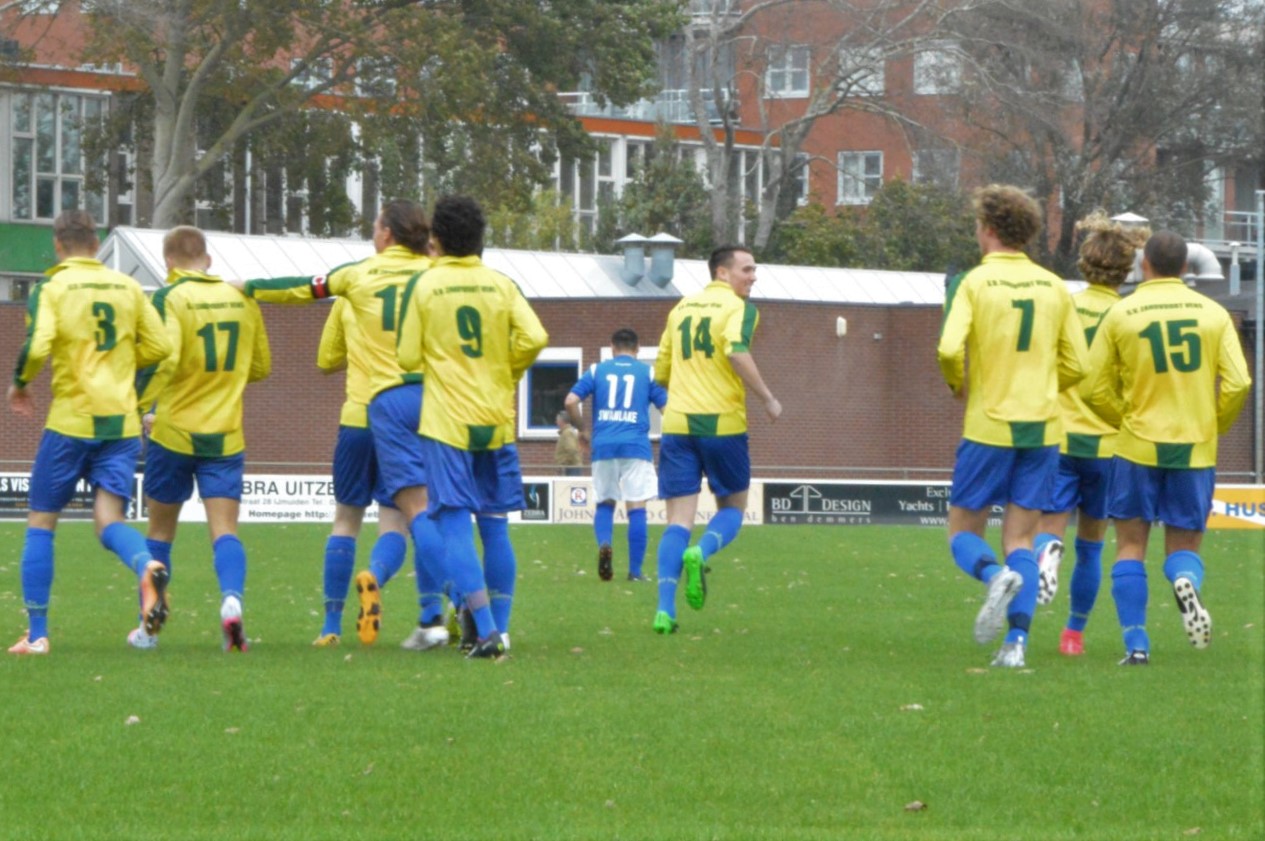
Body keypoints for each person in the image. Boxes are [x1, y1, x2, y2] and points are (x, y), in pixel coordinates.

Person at [243, 200, 445, 648]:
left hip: (360, 415)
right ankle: (421, 605)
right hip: (416, 413)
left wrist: (250, 287)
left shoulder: (355, 279)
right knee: (407, 518)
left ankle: (330, 627)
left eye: (375, 226)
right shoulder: (436, 277)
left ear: (387, 233)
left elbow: (324, 357)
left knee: (345, 520)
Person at [7, 209, 173, 655]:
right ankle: (147, 562)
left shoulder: (53, 287)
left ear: (58, 245)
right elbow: (160, 347)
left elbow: (38, 344)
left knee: (42, 521)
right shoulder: (128, 287)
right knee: (109, 521)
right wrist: (119, 365)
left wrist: (19, 384)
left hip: (71, 421)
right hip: (119, 425)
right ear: (97, 241)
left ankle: (38, 634)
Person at [936, 184, 1089, 669]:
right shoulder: (1053, 286)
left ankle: (991, 576)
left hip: (989, 426)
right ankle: (1016, 645)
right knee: (1021, 538)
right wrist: (1044, 384)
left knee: (962, 531)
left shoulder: (974, 283)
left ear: (989, 228)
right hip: (1043, 429)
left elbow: (946, 349)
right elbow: (1079, 365)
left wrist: (958, 384)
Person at [1081, 230, 1251, 665]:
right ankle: (1184, 581)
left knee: (1130, 546)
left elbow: (1093, 385)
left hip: (1137, 446)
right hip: (1194, 449)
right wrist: (1213, 424)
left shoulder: (1122, 314)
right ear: (1187, 268)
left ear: (1145, 266)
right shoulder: (1213, 314)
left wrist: (1123, 420)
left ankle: (1137, 645)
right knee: (1184, 548)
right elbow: (1238, 383)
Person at [397, 194, 549, 659]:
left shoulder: (424, 285)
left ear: (435, 240)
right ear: (481, 240)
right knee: (496, 525)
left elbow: (405, 357)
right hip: (495, 420)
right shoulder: (500, 284)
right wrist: (506, 371)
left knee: (455, 523)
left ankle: (483, 630)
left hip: (447, 424)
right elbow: (536, 337)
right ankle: (500, 630)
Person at [133, 225, 271, 652]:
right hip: (225, 435)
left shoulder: (169, 297)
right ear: (208, 260)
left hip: (172, 432)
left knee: (159, 534)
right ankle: (231, 601)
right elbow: (261, 367)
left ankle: (149, 630)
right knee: (225, 530)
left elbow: (161, 357)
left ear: (167, 263)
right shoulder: (242, 298)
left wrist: (141, 406)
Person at [1030, 212, 1148, 657]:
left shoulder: (1061, 304)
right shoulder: (1129, 314)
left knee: (1047, 526)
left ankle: (1047, 553)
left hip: (1058, 437)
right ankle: (1073, 636)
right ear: (1126, 268)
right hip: (1110, 445)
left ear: (1084, 262)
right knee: (1093, 547)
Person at [650, 245, 782, 635]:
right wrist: (768, 398)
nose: (753, 277)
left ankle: (663, 611)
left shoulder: (679, 309)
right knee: (733, 510)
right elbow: (736, 352)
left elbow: (660, 372)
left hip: (677, 425)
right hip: (722, 424)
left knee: (677, 520)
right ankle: (702, 551)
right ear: (722, 273)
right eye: (747, 269)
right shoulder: (740, 309)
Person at [564, 328, 668, 581]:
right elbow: (668, 408)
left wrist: (582, 430)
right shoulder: (647, 372)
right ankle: (634, 572)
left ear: (612, 347)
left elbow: (570, 401)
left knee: (605, 502)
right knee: (637, 506)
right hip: (636, 446)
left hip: (604, 444)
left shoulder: (597, 370)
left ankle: (605, 544)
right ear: (638, 348)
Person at [554, 411, 584, 476]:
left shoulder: (567, 433)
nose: (556, 422)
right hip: (571, 467)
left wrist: (563, 464)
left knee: (571, 485)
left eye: (557, 420)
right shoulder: (567, 432)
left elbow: (572, 450)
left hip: (571, 468)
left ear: (561, 421)